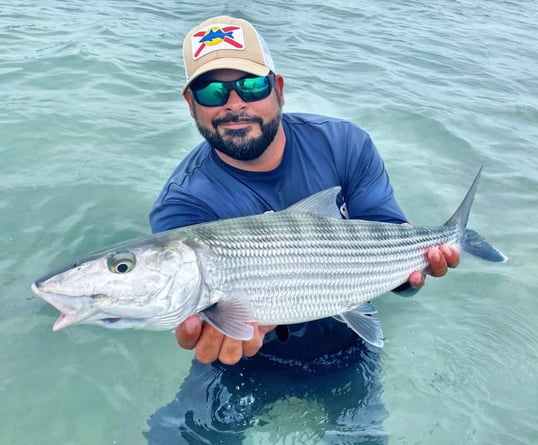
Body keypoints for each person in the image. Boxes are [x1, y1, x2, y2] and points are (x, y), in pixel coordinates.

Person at [145, 15, 459, 443]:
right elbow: (201, 319)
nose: (233, 103)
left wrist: (412, 275)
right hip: (241, 360)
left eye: (251, 86)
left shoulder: (344, 144)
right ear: (190, 102)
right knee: (172, 438)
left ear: (278, 89)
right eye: (212, 90)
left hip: (346, 346)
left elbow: (393, 247)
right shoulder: (183, 203)